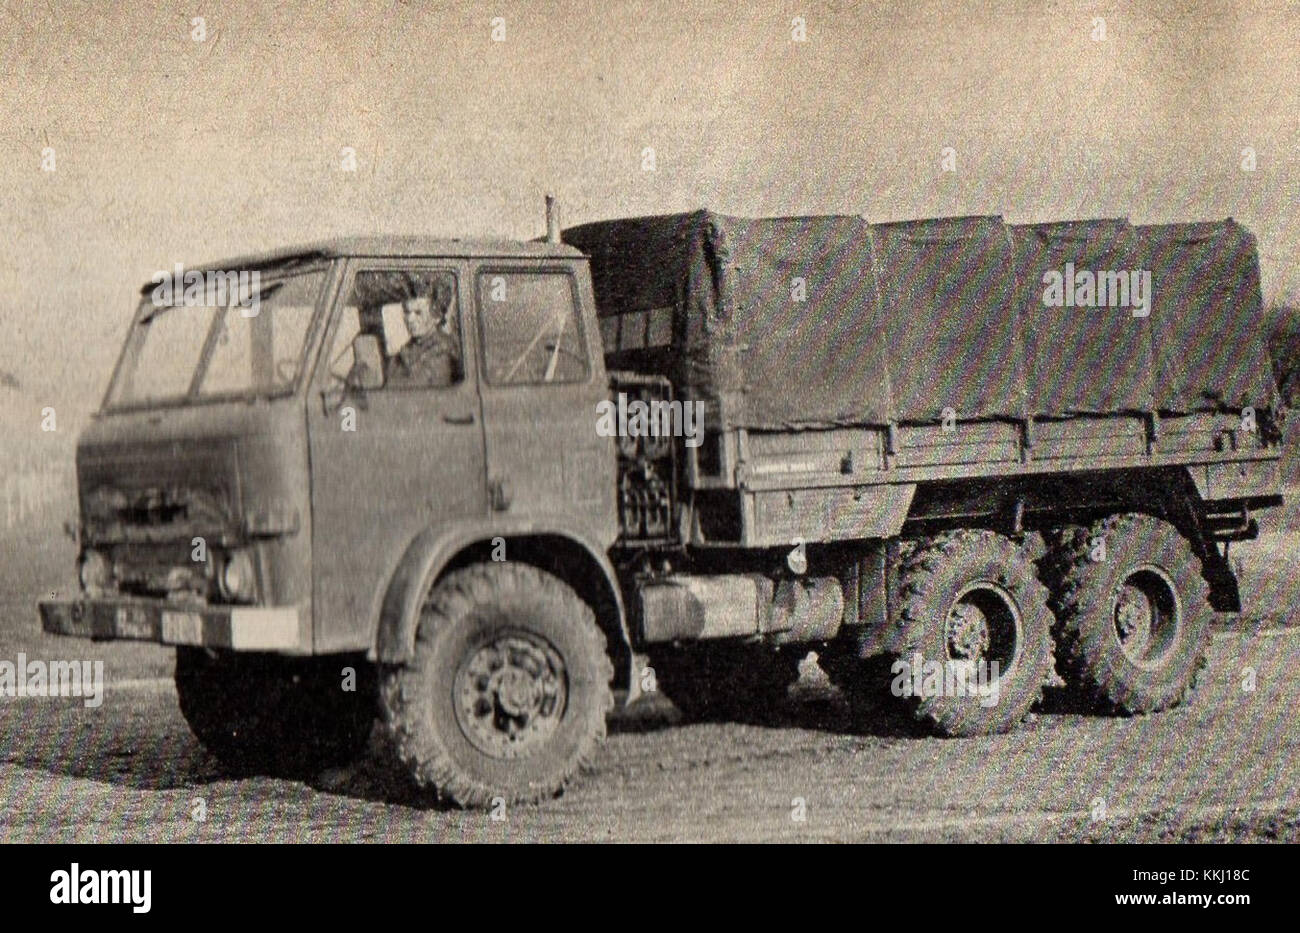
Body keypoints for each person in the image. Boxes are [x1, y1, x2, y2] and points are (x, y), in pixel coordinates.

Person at [386, 276, 461, 388]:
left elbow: (412, 391)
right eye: (407, 311)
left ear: (436, 316)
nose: (410, 319)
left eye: (418, 312)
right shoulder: (411, 346)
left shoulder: (443, 350)